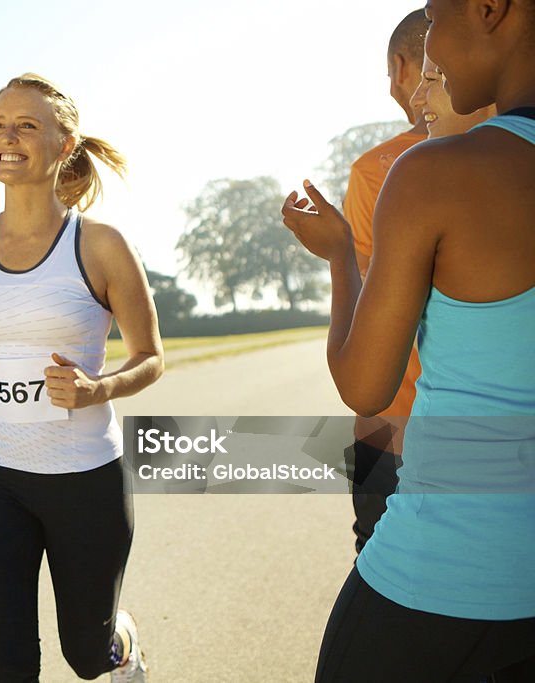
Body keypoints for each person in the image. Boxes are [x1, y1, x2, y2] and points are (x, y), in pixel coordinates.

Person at [281, 0, 535, 678]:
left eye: (435, 13)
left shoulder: (429, 174)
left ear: (489, 9)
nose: (428, 69)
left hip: (442, 573)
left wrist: (340, 257)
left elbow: (366, 384)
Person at [0, 73, 164, 682]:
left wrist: (98, 388)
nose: (6, 137)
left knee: (85, 657)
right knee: (6, 662)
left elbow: (150, 357)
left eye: (26, 125)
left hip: (84, 479)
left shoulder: (102, 246)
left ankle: (121, 643)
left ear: (64, 145)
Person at [342, 8, 429, 553]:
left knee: (381, 570)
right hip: (500, 432)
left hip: (393, 428)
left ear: (400, 69)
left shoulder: (379, 169)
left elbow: (365, 311)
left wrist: (333, 253)